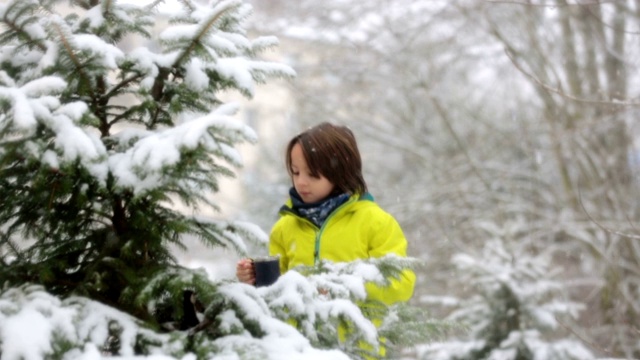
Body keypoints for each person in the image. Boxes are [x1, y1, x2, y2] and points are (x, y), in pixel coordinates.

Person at [236, 122, 416, 352]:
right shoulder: (284, 227)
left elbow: (401, 283)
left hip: (356, 350)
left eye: (312, 174)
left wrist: (343, 288)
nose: (301, 182)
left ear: (340, 172)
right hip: (299, 350)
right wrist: (253, 278)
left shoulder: (376, 223)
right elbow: (276, 291)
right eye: (296, 172)